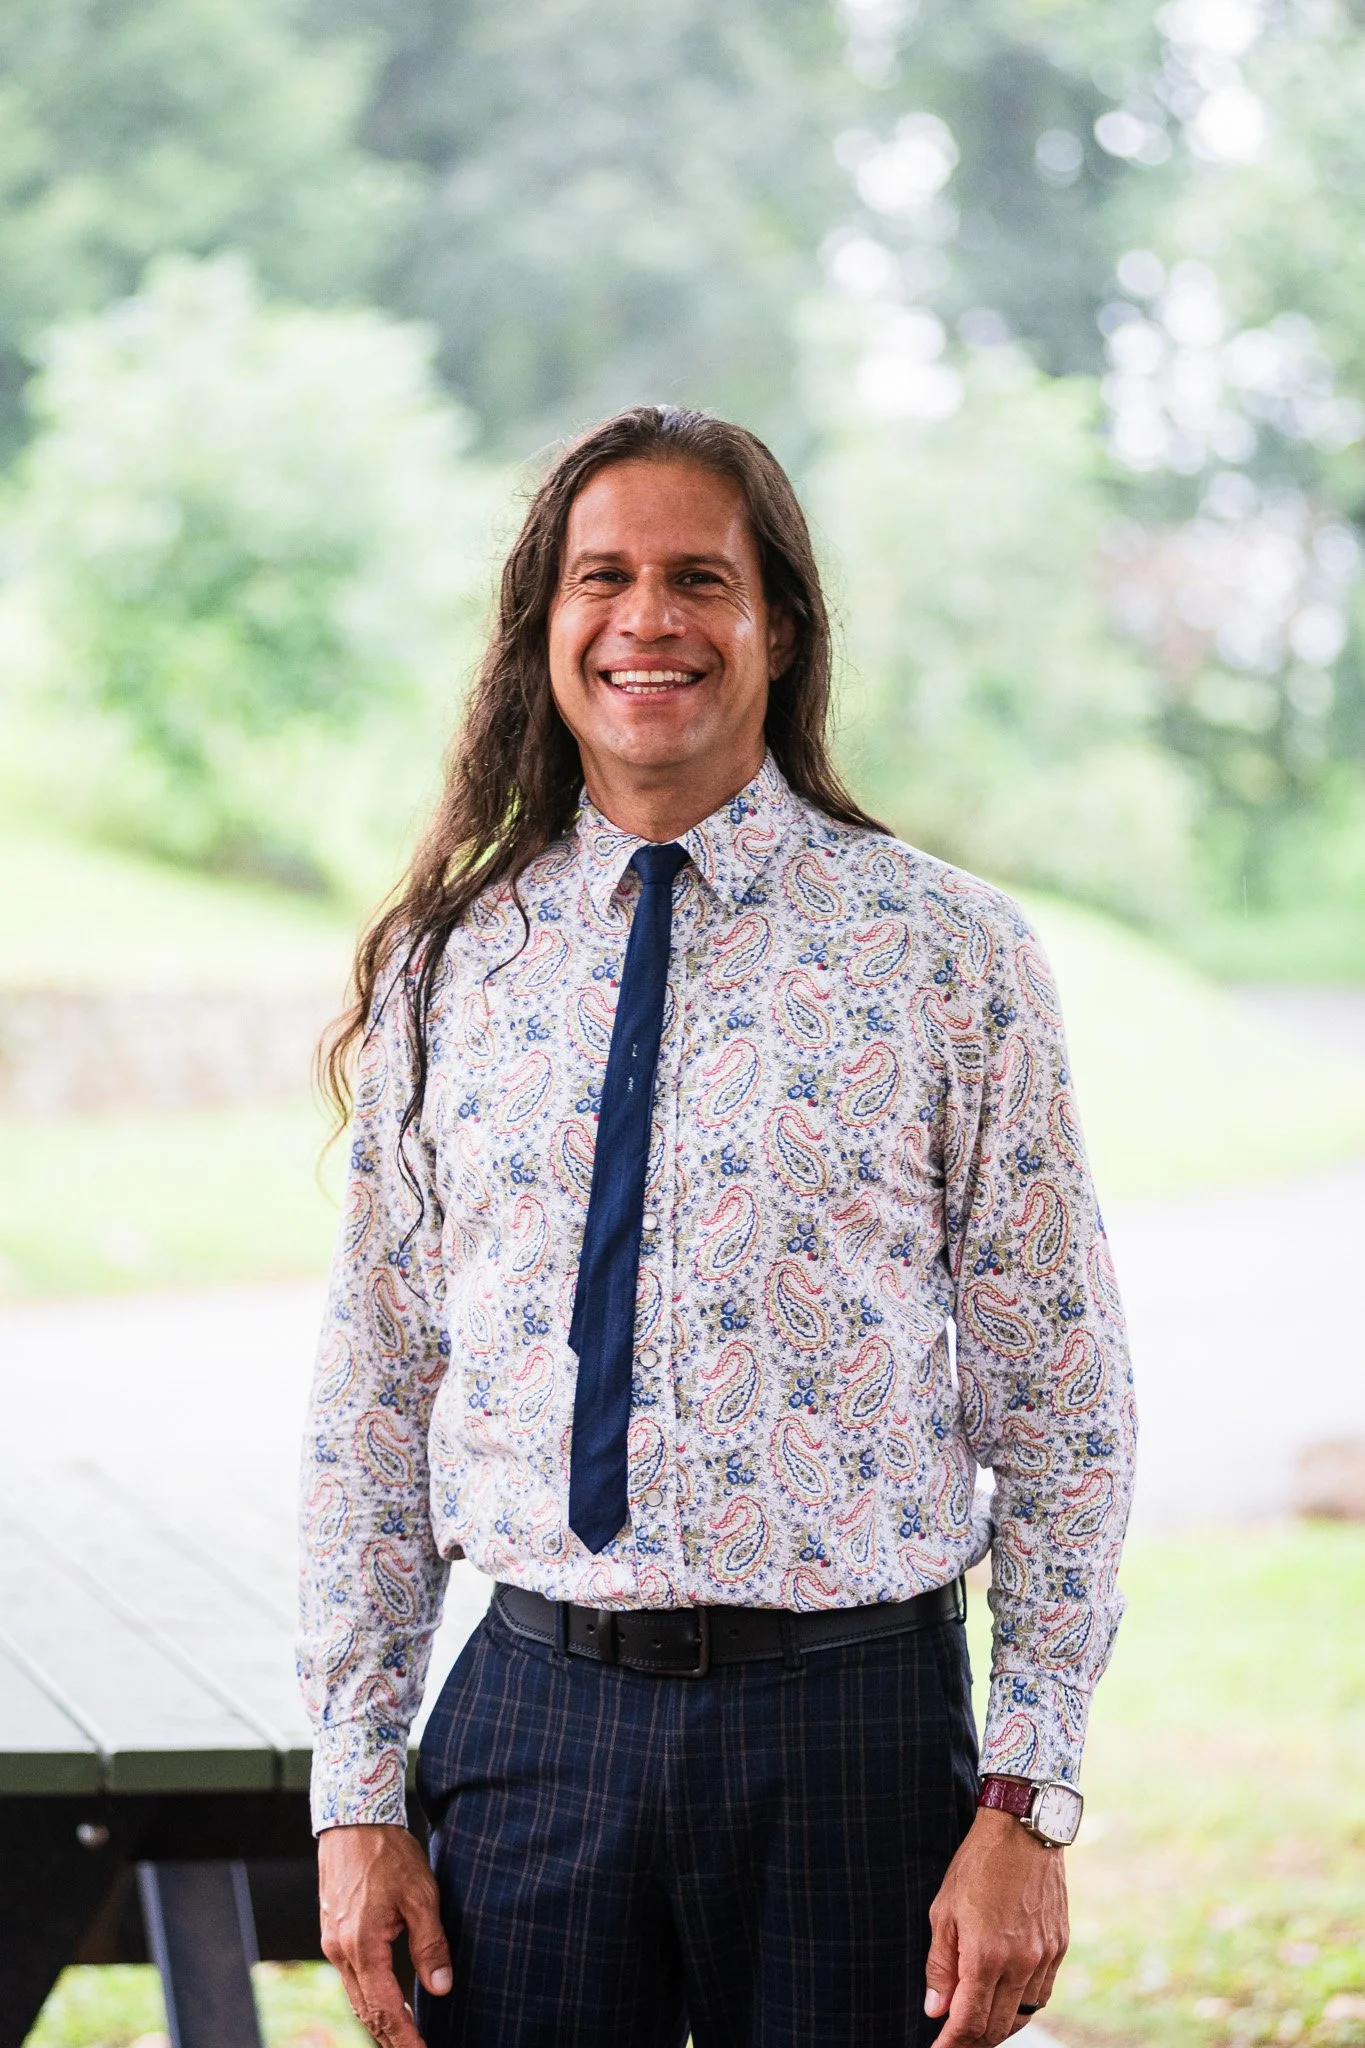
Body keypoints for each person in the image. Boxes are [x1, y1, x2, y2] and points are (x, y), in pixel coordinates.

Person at [298, 405, 1136, 2048]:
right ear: (545, 625)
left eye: (701, 578)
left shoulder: (945, 955)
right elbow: (376, 1390)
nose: (649, 620)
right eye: (601, 577)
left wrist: (1028, 1802)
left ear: (781, 627)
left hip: (853, 1739)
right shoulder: (448, 964)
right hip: (531, 1730)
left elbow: (1063, 1401)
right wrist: (355, 1786)